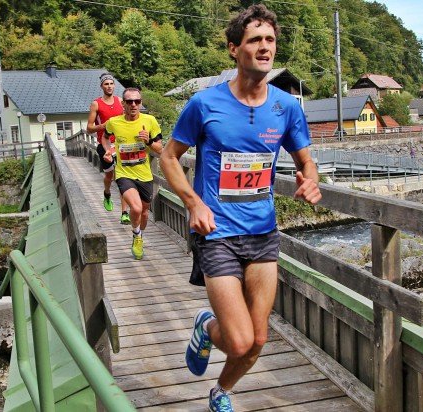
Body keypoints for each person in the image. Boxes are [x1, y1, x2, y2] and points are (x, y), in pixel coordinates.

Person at [159, 4, 322, 411]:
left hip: (263, 233)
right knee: (237, 339)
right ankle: (206, 326)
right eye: (255, 40)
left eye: (270, 40)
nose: (265, 47)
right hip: (217, 234)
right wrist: (193, 202)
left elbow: (306, 160)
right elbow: (167, 157)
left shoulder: (286, 107)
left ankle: (221, 392)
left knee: (259, 339)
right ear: (234, 49)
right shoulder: (204, 103)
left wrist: (311, 179)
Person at [104, 87, 163, 260]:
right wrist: (108, 151)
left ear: (141, 103)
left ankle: (139, 236)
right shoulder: (114, 122)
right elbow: (105, 137)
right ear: (123, 104)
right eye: (129, 101)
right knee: (136, 208)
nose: (133, 104)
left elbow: (160, 150)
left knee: (144, 212)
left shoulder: (150, 121)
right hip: (124, 173)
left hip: (144, 174)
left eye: (137, 101)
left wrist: (149, 141)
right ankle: (136, 234)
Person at [86, 72, 131, 224]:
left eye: (111, 83)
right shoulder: (96, 104)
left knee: (121, 178)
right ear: (101, 86)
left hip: (120, 145)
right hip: (104, 144)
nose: (109, 86)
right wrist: (103, 125)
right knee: (109, 176)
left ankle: (125, 212)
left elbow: (127, 119)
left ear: (114, 85)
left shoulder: (120, 101)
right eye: (106, 84)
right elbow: (89, 128)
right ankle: (107, 193)